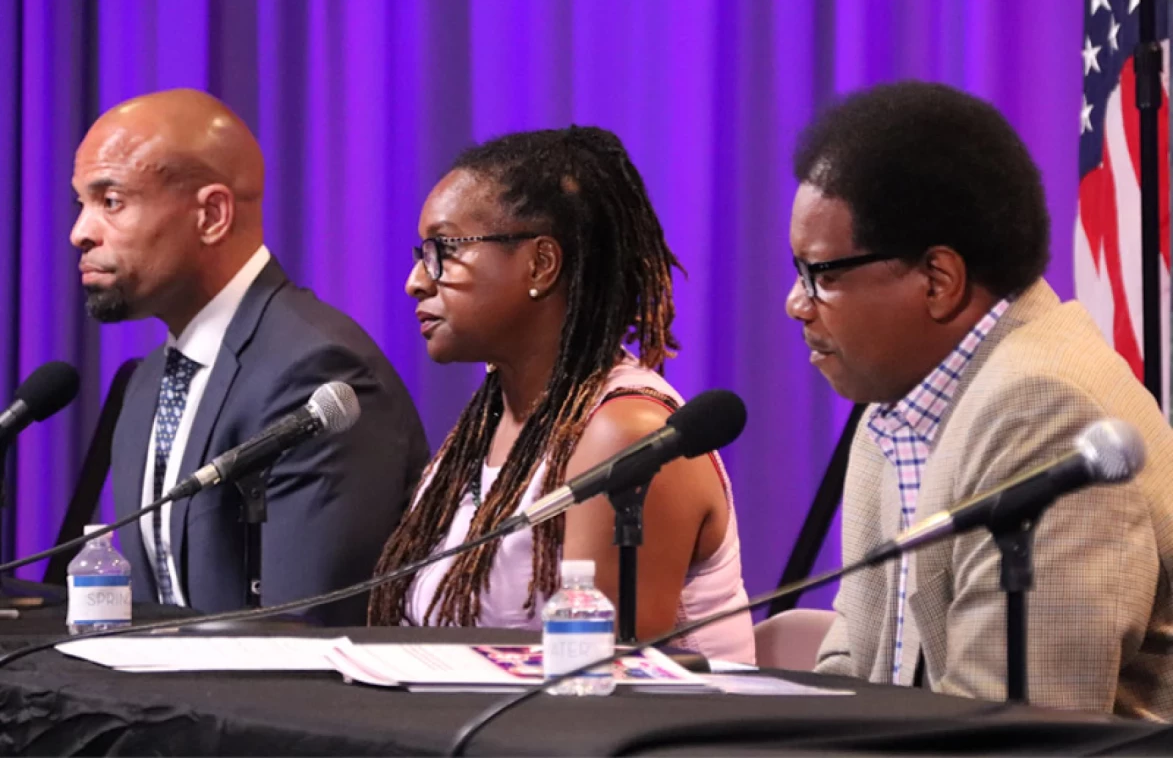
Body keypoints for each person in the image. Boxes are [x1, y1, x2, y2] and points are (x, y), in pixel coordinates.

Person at [787, 81, 1173, 718]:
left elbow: (1027, 733)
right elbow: (850, 669)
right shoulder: (897, 408)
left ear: (938, 280)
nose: (796, 304)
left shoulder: (1045, 411)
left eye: (822, 274)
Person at [367, 126, 754, 663]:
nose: (415, 280)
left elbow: (596, 691)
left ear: (540, 265)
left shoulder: (625, 435)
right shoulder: (492, 420)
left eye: (442, 251)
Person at [70, 89, 429, 625]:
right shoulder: (148, 383)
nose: (81, 232)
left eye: (111, 201)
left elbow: (304, 632)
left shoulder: (316, 372)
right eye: (82, 203)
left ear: (212, 215)